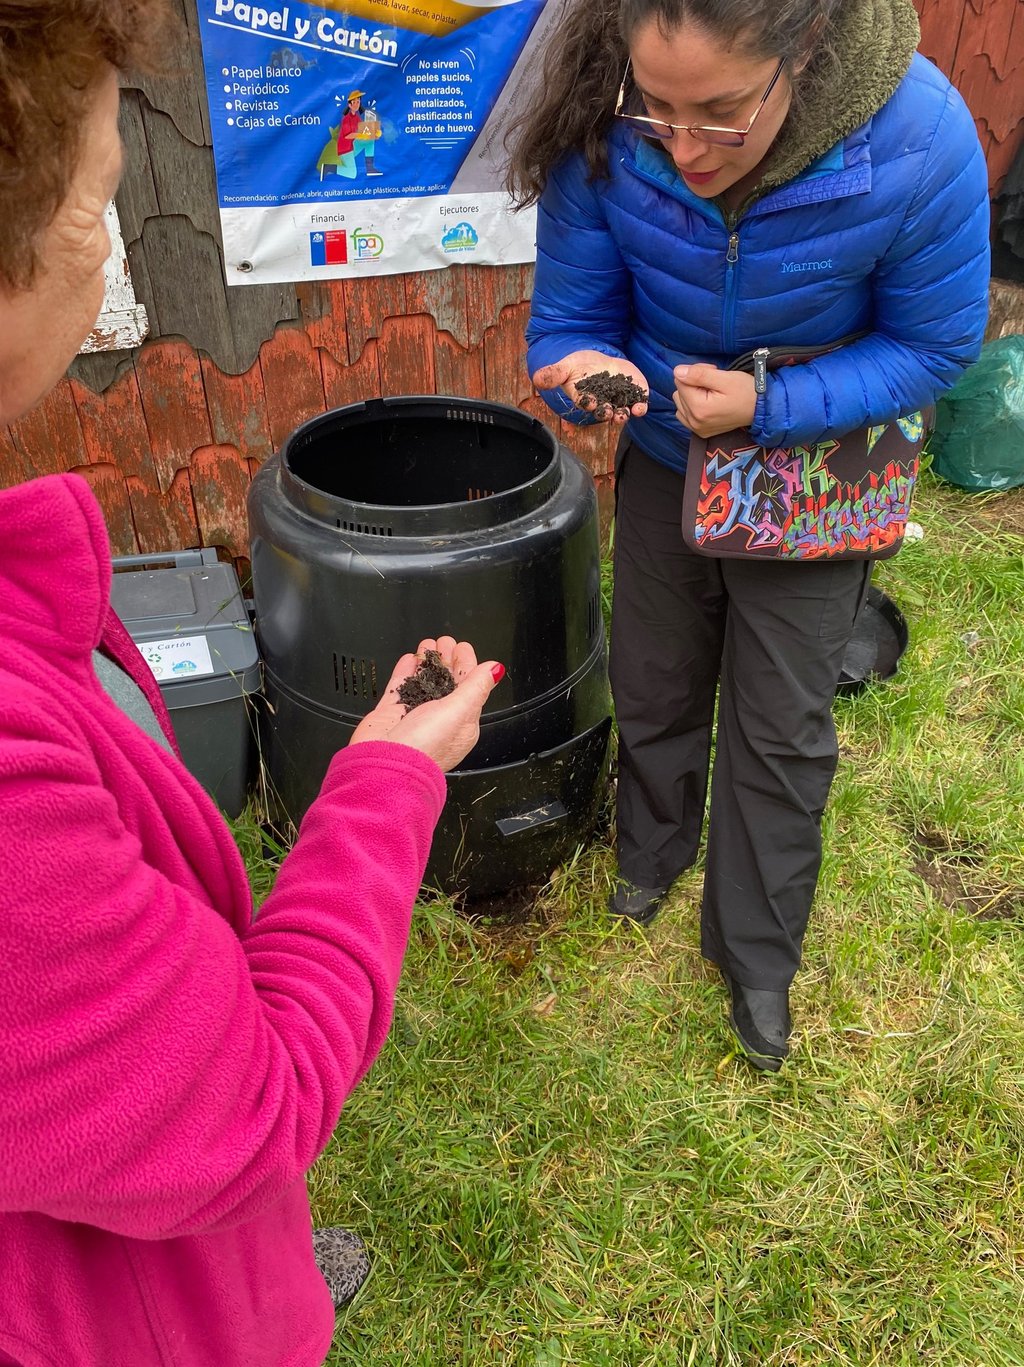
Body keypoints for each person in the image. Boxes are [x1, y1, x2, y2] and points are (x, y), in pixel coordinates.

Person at [0, 4, 501, 1365]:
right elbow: (243, 1101)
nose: (101, 231)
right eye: (101, 194)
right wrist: (390, 782)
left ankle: (264, 1251)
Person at [507, 0, 989, 1070]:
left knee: (780, 727)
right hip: (670, 463)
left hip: (815, 473)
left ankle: (757, 952)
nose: (682, 148)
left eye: (720, 114)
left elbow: (936, 341)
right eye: (658, 112)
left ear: (802, 54)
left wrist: (768, 410)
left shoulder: (919, 136)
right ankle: (650, 852)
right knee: (655, 674)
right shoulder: (604, 116)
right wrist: (589, 377)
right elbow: (570, 320)